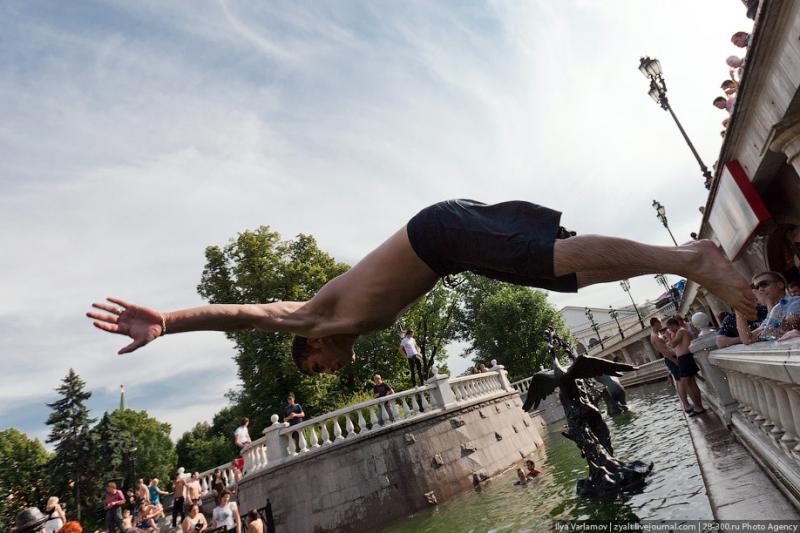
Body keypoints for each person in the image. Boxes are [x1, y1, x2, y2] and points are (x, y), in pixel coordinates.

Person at [87, 199, 756, 376]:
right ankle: (683, 257)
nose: (332, 367)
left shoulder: (311, 320)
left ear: (311, 353)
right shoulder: (343, 316)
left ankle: (687, 257)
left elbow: (246, 312)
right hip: (445, 239)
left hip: (439, 235)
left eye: (320, 371)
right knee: (560, 270)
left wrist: (170, 321)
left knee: (552, 263)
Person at [665, 318, 706, 416]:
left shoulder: (681, 331)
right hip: (683, 359)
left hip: (685, 359)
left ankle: (698, 407)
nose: (669, 330)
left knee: (685, 384)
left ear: (673, 325)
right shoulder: (679, 332)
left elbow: (673, 344)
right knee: (691, 384)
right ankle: (698, 407)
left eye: (669, 328)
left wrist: (668, 337)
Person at [649, 317, 691, 413]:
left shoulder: (657, 334)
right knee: (680, 381)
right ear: (655, 323)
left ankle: (686, 403)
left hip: (672, 358)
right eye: (659, 323)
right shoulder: (655, 336)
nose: (661, 324)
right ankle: (686, 405)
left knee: (681, 380)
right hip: (671, 359)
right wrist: (674, 360)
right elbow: (664, 351)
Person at [737, 271, 791, 343]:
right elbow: (748, 339)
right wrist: (739, 309)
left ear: (780, 285)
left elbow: (782, 330)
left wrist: (768, 301)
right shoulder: (771, 310)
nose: (760, 289)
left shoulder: (795, 301)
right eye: (756, 287)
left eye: (763, 284)